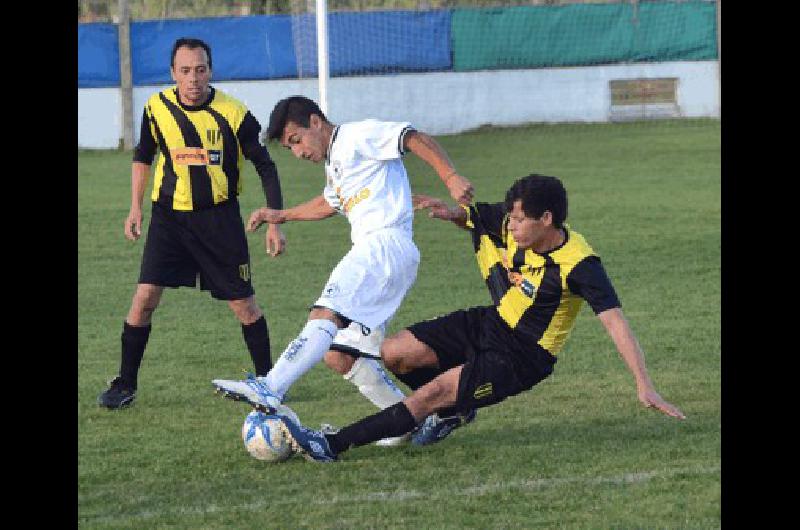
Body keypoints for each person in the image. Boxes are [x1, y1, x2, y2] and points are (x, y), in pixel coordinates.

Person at [271, 173, 686, 462]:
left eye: (521, 219)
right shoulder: (509, 224)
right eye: (511, 216)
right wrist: (447, 212)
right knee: (394, 352)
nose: (512, 225)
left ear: (547, 220)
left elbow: (615, 321)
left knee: (431, 394)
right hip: (490, 322)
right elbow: (472, 216)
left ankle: (331, 444)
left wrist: (644, 384)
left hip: (522, 356)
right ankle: (458, 407)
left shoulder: (580, 264)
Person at [211, 96, 475, 445]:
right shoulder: (335, 162)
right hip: (388, 255)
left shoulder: (356, 136)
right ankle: (406, 422)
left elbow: (411, 136)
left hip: (381, 246)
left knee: (326, 313)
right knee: (338, 354)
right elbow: (328, 204)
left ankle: (271, 386)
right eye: (290, 147)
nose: (298, 152)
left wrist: (451, 176)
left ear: (316, 122)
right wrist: (281, 215)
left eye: (296, 140)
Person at [97, 38, 287, 409]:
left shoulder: (234, 114)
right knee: (144, 298)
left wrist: (275, 220)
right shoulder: (157, 108)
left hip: (219, 220)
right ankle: (125, 383)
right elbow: (143, 157)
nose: (193, 78)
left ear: (210, 71)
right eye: (185, 71)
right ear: (173, 74)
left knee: (244, 305)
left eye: (200, 69)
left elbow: (265, 165)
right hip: (169, 219)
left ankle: (270, 382)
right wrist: (135, 208)